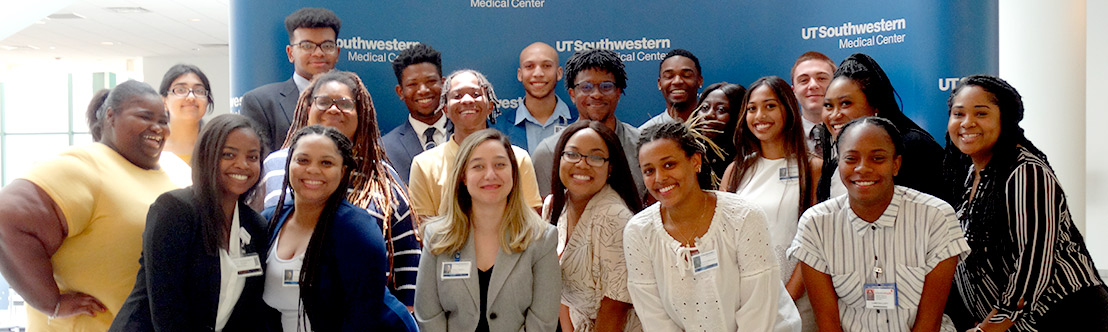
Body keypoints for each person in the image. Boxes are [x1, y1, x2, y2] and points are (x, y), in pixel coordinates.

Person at [0, 80, 179, 331]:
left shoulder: (155, 173)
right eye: (144, 117)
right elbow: (7, 217)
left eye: (164, 120)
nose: (158, 128)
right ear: (110, 116)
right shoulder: (85, 165)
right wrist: (52, 303)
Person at [943, 75, 1107, 332]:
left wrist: (988, 328)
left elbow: (1033, 266)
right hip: (1018, 323)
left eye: (981, 113)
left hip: (1067, 316)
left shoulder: (1025, 172)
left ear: (1004, 119)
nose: (967, 123)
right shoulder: (972, 174)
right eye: (958, 113)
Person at [787, 117, 969, 332]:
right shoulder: (816, 224)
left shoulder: (936, 216)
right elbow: (828, 323)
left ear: (896, 164)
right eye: (851, 159)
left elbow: (930, 321)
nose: (863, 168)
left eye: (877, 158)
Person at [260, 70, 420, 308]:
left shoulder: (384, 178)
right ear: (307, 107)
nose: (333, 109)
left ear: (361, 113)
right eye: (323, 101)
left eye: (345, 103)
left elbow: (409, 263)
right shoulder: (274, 166)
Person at [624, 121, 801, 331]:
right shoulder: (638, 231)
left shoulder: (744, 216)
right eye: (649, 170)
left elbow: (758, 309)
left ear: (695, 161)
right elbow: (654, 317)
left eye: (669, 164)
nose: (660, 178)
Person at [111, 114, 277, 331]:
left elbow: (249, 310)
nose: (242, 165)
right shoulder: (174, 210)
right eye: (229, 154)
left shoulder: (255, 225)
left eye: (252, 157)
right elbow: (167, 308)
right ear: (207, 156)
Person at [263, 125, 417, 332]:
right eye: (302, 160)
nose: (313, 170)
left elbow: (362, 318)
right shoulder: (269, 220)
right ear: (288, 163)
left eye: (326, 162)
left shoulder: (357, 230)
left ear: (343, 171)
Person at [414, 129, 561, 332]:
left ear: (513, 174)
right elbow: (428, 316)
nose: (490, 175)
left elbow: (543, 323)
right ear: (463, 177)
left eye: (500, 164)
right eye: (478, 166)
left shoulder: (542, 239)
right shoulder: (436, 236)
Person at [719, 76, 820, 331]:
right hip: (744, 302)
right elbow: (721, 238)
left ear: (788, 109)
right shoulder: (736, 171)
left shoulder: (812, 167)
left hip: (798, 297)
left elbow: (816, 242)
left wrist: (787, 295)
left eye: (770, 106)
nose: (760, 115)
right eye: (752, 108)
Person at [546, 120, 644, 331]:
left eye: (596, 157)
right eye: (572, 154)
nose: (582, 164)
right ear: (559, 159)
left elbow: (615, 306)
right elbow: (560, 292)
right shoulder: (554, 205)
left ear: (610, 169)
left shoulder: (614, 217)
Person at [408, 69, 543, 218]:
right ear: (445, 109)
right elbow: (423, 230)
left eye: (476, 94)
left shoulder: (518, 159)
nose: (467, 100)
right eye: (457, 96)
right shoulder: (424, 165)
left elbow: (531, 225)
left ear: (490, 106)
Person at [817, 53, 945, 203]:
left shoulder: (914, 148)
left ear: (875, 106)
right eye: (828, 106)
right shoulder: (833, 165)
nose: (834, 115)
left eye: (845, 103)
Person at [532, 48, 645, 198]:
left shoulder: (642, 145)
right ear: (572, 94)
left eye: (606, 86)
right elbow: (543, 217)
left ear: (618, 92)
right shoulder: (549, 152)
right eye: (586, 87)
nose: (596, 94)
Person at [240, 7, 341, 151]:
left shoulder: (352, 102)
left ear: (337, 53)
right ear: (290, 53)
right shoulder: (260, 103)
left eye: (327, 45)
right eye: (307, 46)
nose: (318, 53)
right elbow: (257, 162)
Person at [382, 43, 452, 185]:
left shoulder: (469, 135)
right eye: (412, 84)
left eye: (431, 81)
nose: (423, 90)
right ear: (400, 92)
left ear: (444, 84)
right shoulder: (384, 149)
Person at [496, 42, 575, 153]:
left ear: (559, 73)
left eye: (546, 66)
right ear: (520, 74)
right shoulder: (498, 128)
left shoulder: (580, 122)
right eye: (529, 66)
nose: (538, 73)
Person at [159, 63, 214, 165]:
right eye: (180, 90)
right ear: (164, 101)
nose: (191, 97)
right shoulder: (152, 149)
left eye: (199, 91)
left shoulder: (216, 147)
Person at [693, 82, 745, 189]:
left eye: (721, 110)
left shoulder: (747, 161)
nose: (709, 115)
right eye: (705, 108)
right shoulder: (690, 154)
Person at [640, 49, 704, 130]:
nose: (677, 81)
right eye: (669, 76)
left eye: (686, 75)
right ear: (659, 84)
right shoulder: (644, 135)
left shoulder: (715, 129)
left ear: (699, 81)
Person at [790, 51, 837, 153]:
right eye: (804, 80)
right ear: (794, 91)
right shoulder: (782, 140)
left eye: (822, 78)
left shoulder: (856, 135)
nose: (813, 85)